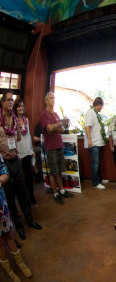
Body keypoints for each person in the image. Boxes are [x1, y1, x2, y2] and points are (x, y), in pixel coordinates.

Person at [1, 91, 42, 240]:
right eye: (8, 100)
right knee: (11, 197)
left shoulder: (14, 120)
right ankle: (18, 226)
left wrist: (18, 152)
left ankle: (29, 220)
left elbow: (18, 137)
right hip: (4, 163)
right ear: (2, 103)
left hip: (15, 160)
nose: (10, 103)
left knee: (23, 193)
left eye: (12, 100)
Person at [0, 155, 33, 281]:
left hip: (1, 203)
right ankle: (9, 271)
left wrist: (1, 180)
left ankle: (21, 264)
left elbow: (4, 172)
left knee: (8, 235)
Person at [41, 92, 75, 205]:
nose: (53, 100)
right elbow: (49, 128)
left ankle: (62, 190)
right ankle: (55, 194)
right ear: (46, 101)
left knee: (59, 171)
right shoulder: (44, 114)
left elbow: (61, 130)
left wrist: (56, 126)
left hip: (59, 145)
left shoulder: (55, 114)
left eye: (54, 98)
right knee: (52, 172)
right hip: (50, 147)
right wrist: (58, 125)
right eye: (51, 98)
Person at [13, 99, 37, 207]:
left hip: (27, 152)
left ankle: (32, 198)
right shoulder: (13, 121)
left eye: (22, 106)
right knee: (21, 179)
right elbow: (13, 138)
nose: (21, 108)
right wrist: (15, 152)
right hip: (19, 154)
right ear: (15, 108)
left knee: (29, 177)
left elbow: (28, 136)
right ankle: (24, 201)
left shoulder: (26, 120)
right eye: (18, 106)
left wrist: (31, 150)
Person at [84, 97, 108, 190]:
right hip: (93, 143)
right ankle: (96, 182)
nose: (101, 109)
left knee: (97, 163)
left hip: (98, 143)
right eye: (101, 107)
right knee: (95, 164)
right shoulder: (90, 112)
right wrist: (89, 140)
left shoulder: (96, 113)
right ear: (98, 105)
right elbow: (87, 127)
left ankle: (99, 179)